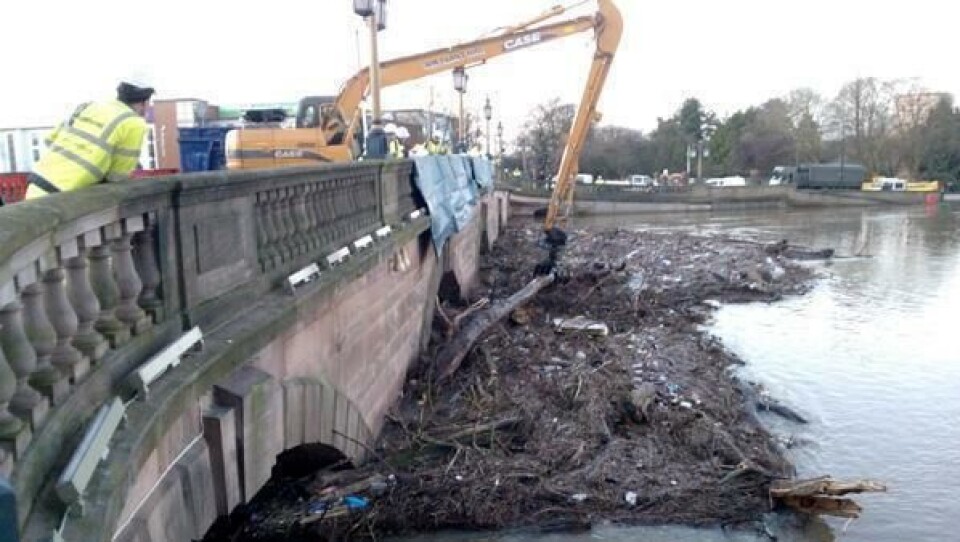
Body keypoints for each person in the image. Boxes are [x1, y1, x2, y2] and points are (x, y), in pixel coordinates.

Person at [25, 76, 154, 199]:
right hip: (66, 196)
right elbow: (117, 176)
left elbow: (50, 139)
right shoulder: (133, 123)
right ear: (144, 102)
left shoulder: (88, 106)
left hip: (36, 185)